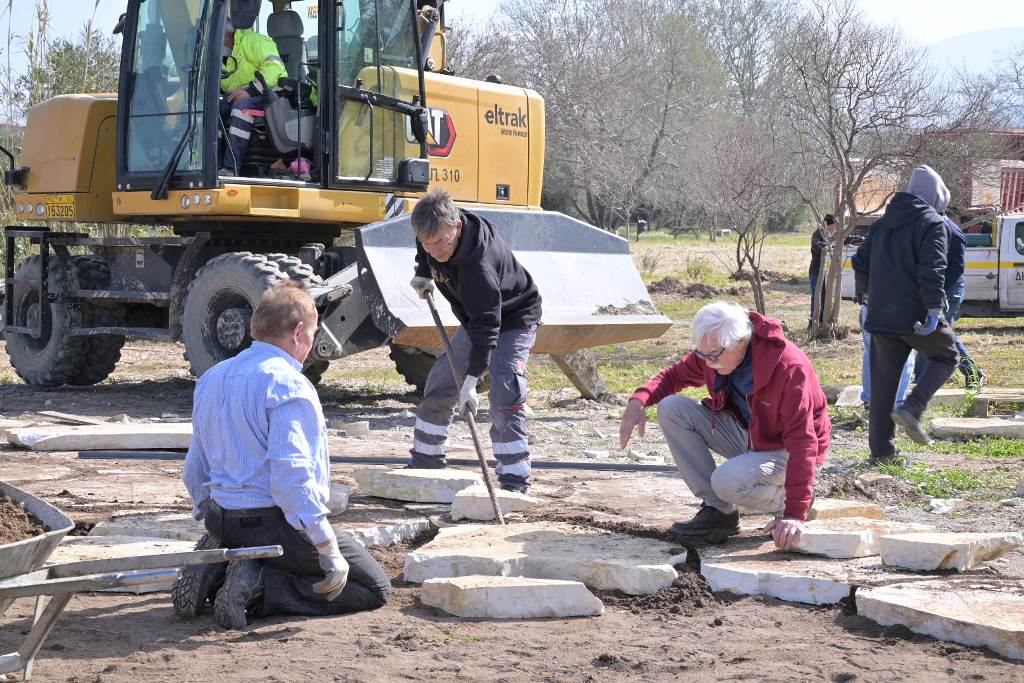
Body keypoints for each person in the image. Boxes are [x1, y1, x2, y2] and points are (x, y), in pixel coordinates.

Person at [176, 282, 390, 628]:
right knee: (373, 587)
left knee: (277, 545)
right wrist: (327, 547)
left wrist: (212, 515)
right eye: (313, 335)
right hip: (272, 525)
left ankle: (227, 565)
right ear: (298, 332)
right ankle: (260, 587)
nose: (310, 346)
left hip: (221, 518)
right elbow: (291, 477)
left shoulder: (212, 378)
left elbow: (195, 467)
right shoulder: (287, 383)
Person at [619, 301, 831, 550]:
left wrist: (794, 512)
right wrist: (639, 401)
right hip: (750, 435)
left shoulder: (788, 368)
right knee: (671, 408)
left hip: (785, 449)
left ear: (740, 341)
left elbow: (803, 443)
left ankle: (787, 501)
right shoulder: (716, 350)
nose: (708, 363)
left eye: (713, 355)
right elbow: (674, 375)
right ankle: (719, 512)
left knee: (726, 481)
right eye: (702, 355)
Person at [408, 188, 543, 493]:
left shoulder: (479, 266)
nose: (434, 251)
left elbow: (488, 327)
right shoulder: (433, 230)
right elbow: (424, 241)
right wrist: (423, 271)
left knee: (505, 390)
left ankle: (514, 480)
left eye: (440, 243)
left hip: (513, 318)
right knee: (442, 381)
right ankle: (426, 462)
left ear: (457, 227)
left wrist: (471, 382)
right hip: (476, 319)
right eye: (428, 244)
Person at [852, 165, 960, 462]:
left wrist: (864, 294)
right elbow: (933, 270)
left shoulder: (881, 224)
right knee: (947, 357)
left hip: (881, 316)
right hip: (915, 316)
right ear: (935, 196)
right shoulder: (932, 223)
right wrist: (934, 308)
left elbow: (859, 262)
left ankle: (882, 452)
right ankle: (913, 408)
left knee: (883, 386)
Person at [913, 214, 985, 389]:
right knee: (932, 332)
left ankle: (971, 373)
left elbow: (956, 267)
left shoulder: (952, 232)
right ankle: (922, 377)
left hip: (949, 291)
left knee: (935, 332)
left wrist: (940, 292)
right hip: (937, 289)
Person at [219, 2, 286, 175]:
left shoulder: (255, 41)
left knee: (241, 108)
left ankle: (231, 167)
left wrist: (249, 91)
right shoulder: (228, 55)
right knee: (215, 109)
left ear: (226, 35)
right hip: (247, 95)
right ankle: (212, 164)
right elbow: (226, 83)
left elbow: (274, 68)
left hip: (272, 95)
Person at [808, 214, 836, 329]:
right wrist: (830, 244)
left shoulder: (832, 235)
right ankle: (813, 325)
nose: (836, 227)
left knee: (825, 297)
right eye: (835, 225)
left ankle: (822, 323)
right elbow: (818, 246)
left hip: (826, 272)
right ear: (829, 225)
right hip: (816, 272)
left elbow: (846, 238)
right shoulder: (818, 234)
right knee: (817, 297)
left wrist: (859, 240)